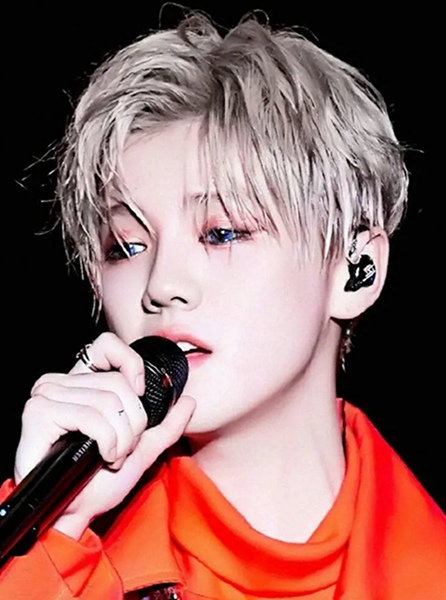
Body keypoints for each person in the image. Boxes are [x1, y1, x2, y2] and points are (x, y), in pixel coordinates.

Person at [1, 12, 445, 599]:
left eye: (222, 232)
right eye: (125, 247)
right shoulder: (58, 563)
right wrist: (47, 534)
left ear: (355, 268)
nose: (161, 284)